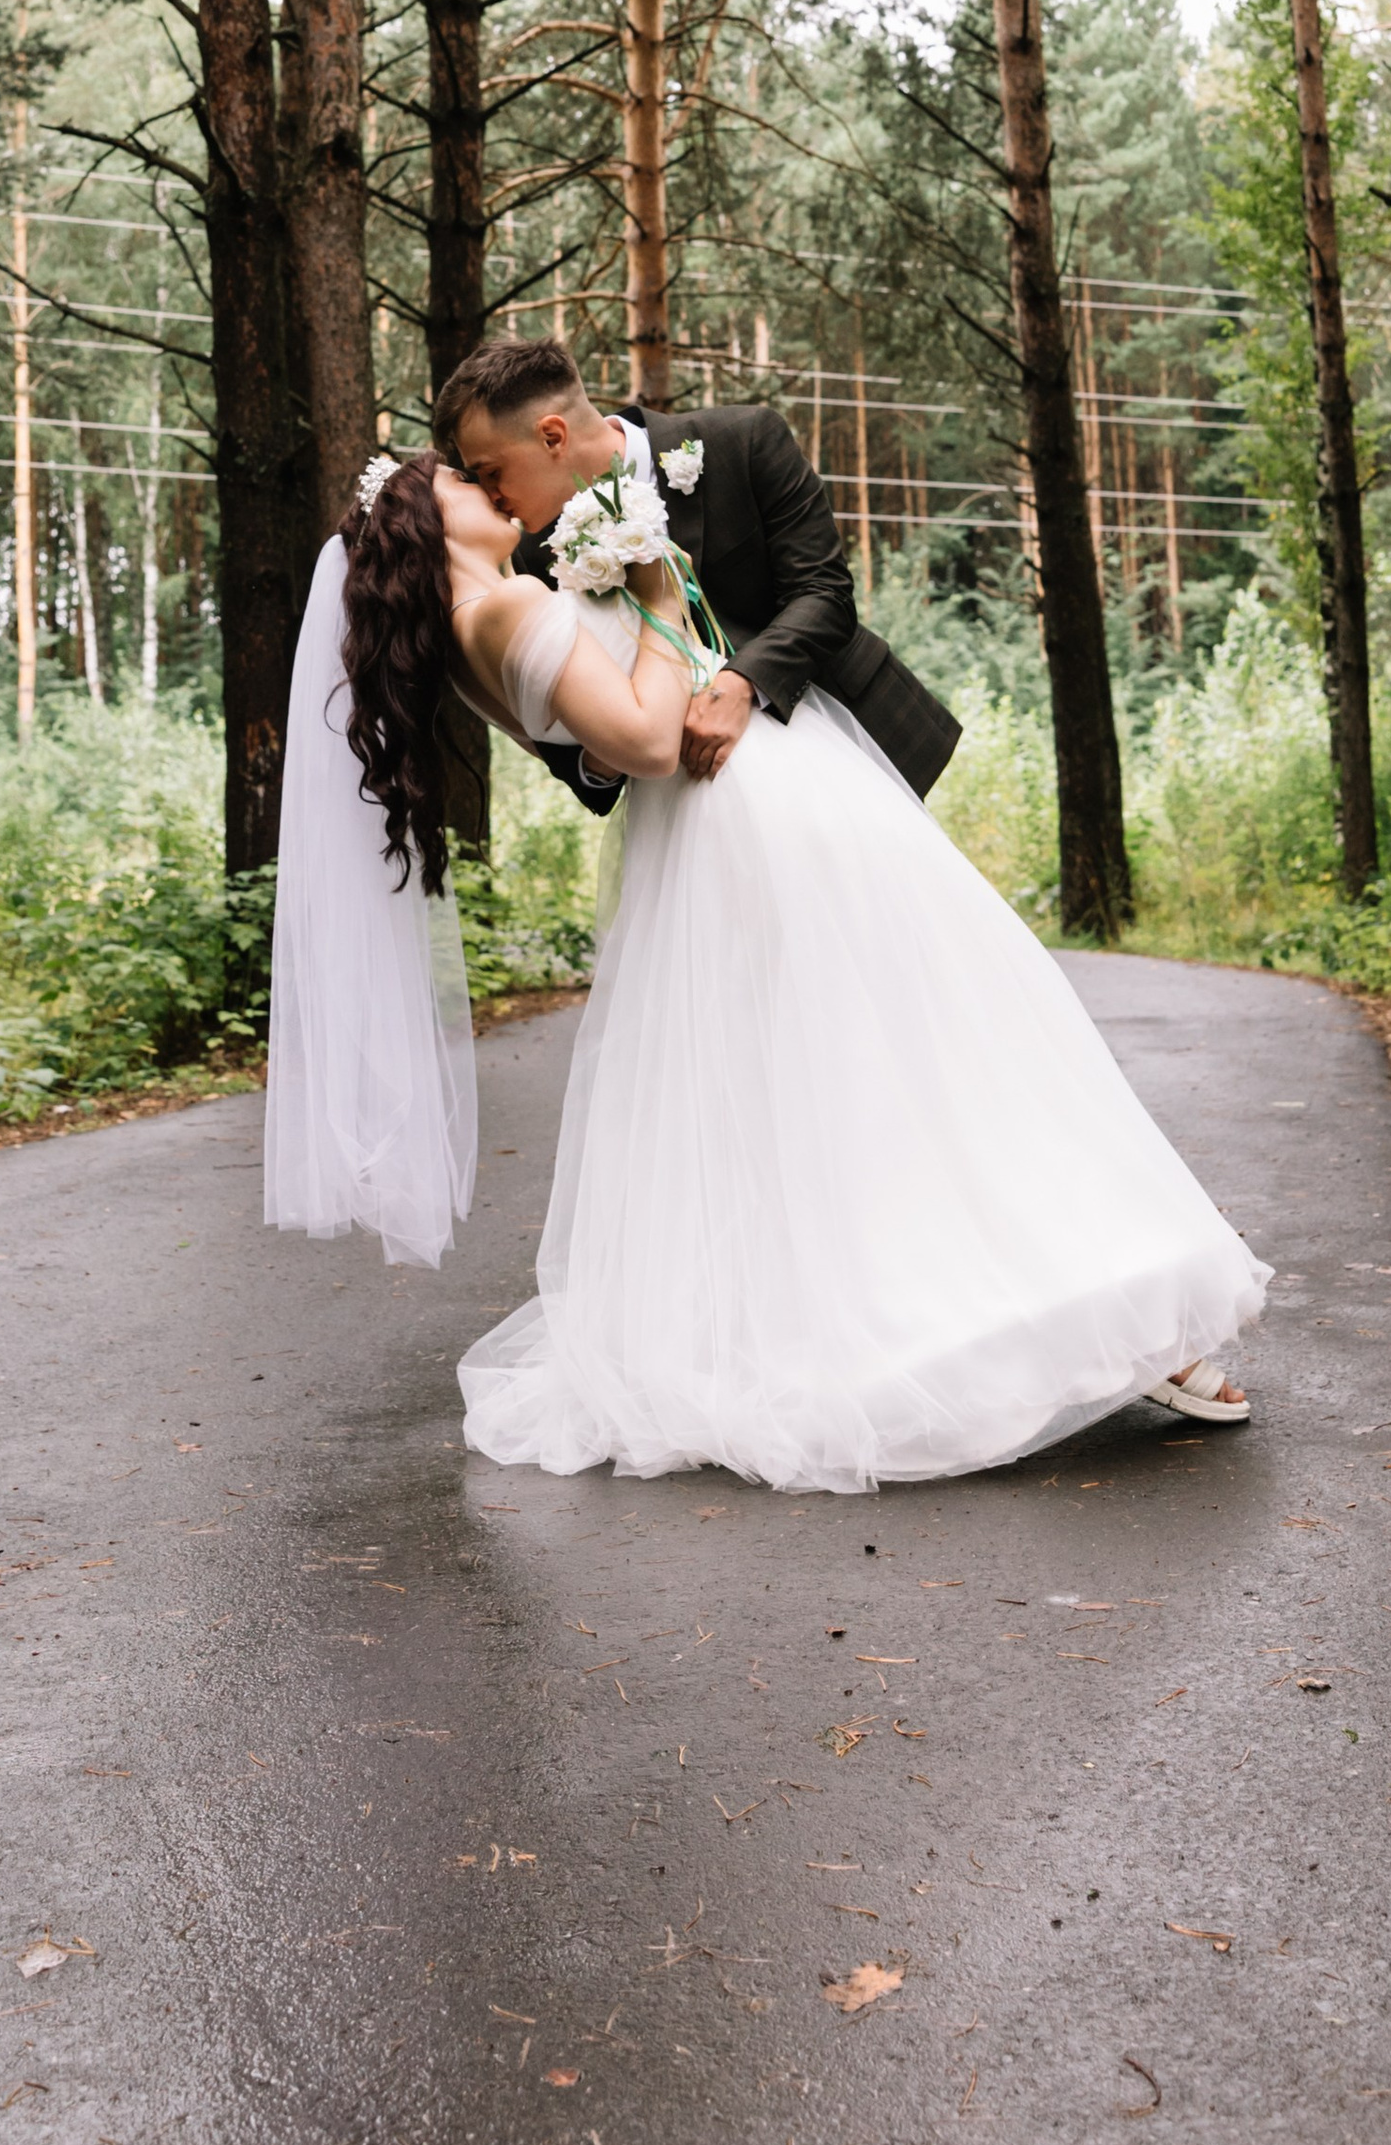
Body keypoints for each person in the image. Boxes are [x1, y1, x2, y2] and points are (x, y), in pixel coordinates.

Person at [266, 437, 1266, 1492]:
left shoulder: (479, 627)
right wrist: (653, 579)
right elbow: (650, 742)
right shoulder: (500, 612)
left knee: (810, 1086)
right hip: (742, 821)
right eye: (465, 482)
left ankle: (992, 1312)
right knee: (925, 1048)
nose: (492, 488)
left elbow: (589, 750)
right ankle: (1071, 1316)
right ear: (428, 516)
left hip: (696, 848)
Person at [435, 334, 961, 807]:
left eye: (492, 472)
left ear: (553, 437)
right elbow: (579, 752)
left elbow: (825, 593)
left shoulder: (744, 439)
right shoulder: (532, 557)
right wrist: (607, 756)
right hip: (704, 808)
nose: (493, 497)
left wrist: (738, 685)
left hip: (850, 733)